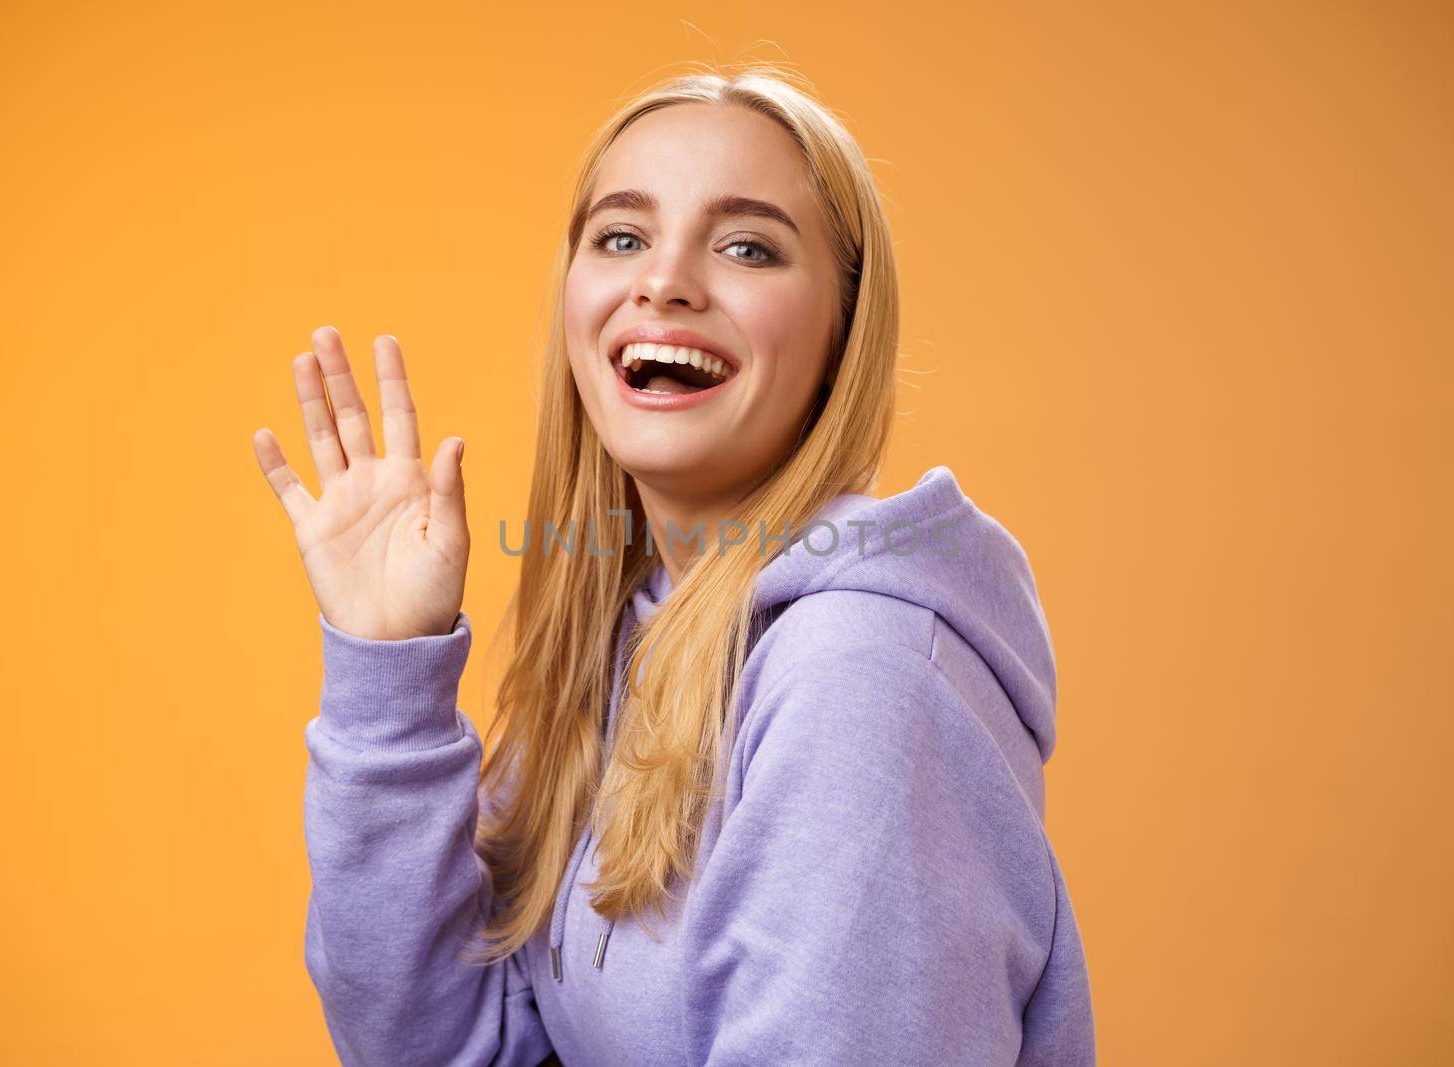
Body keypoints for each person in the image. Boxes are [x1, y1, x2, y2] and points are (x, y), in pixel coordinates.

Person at [252, 62, 1096, 1067]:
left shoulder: (860, 677)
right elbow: (444, 1046)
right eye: (622, 236)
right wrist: (389, 673)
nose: (664, 280)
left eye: (747, 246)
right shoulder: (627, 638)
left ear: (840, 336)